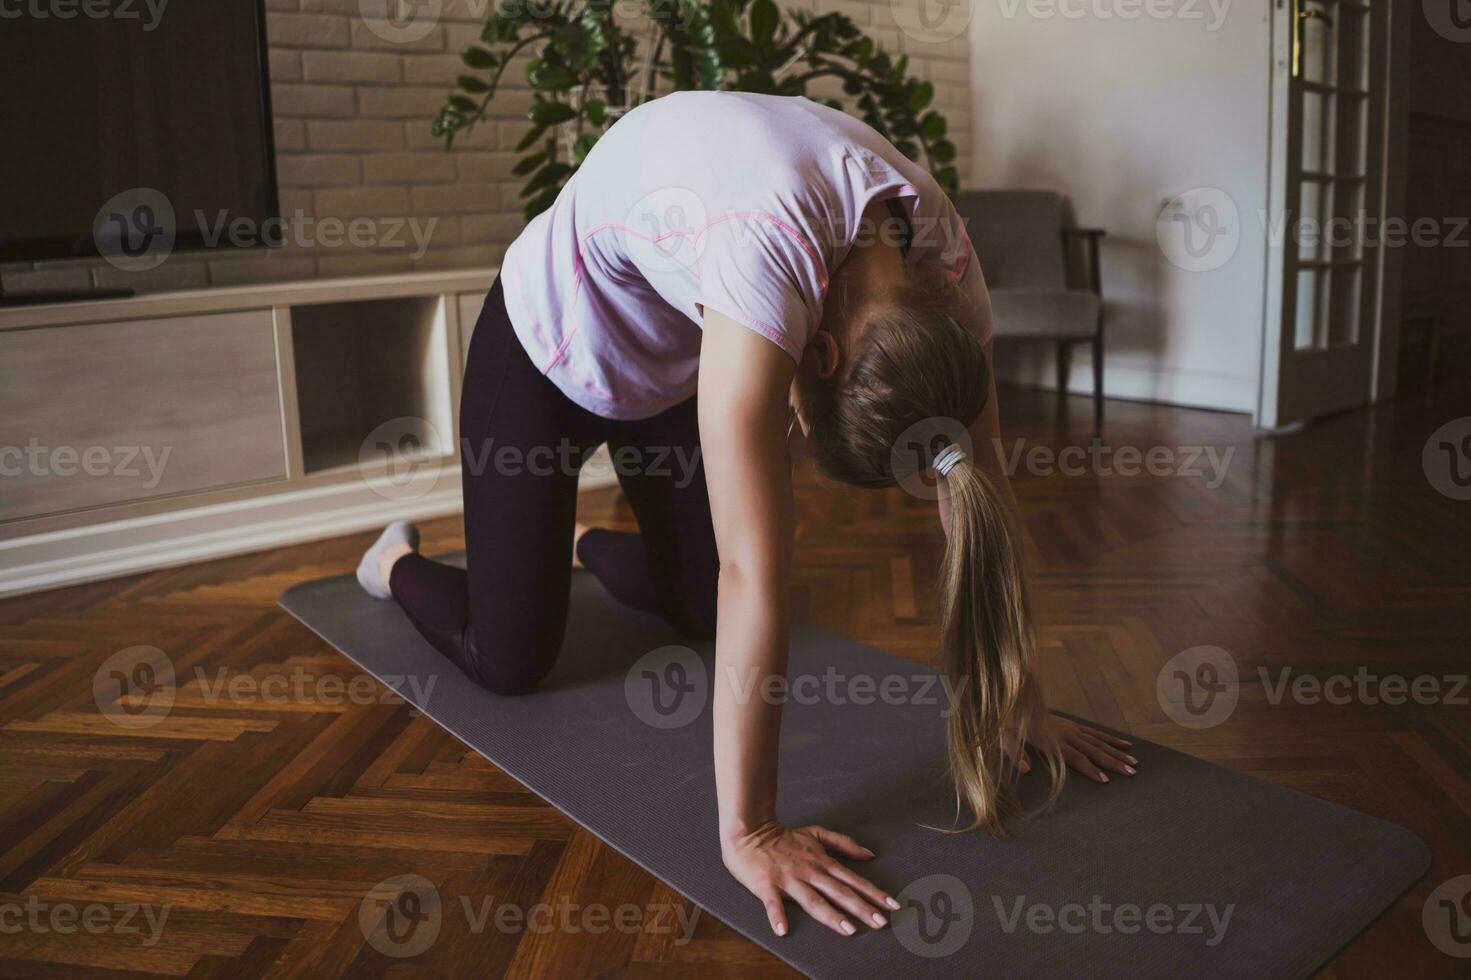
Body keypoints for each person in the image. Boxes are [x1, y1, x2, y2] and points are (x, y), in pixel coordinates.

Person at [356, 90, 1136, 939]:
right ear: (823, 353)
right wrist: (750, 831)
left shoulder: (938, 260)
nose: (792, 424)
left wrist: (1016, 699)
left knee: (698, 610)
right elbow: (754, 571)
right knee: (510, 659)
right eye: (805, 417)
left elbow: (977, 482)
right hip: (548, 348)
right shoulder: (764, 259)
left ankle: (572, 541)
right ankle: (391, 563)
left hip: (680, 355)